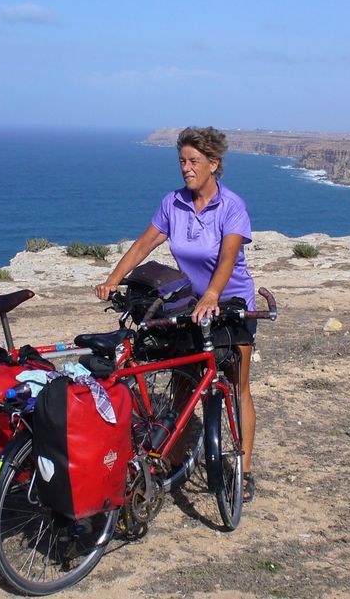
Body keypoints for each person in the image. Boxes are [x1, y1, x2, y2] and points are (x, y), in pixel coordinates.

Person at [94, 126, 259, 503]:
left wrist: (214, 294)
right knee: (185, 382)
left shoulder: (231, 206)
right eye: (182, 161)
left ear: (214, 164)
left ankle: (244, 469)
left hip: (230, 305)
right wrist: (113, 280)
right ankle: (173, 456)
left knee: (237, 385)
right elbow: (144, 244)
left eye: (194, 161)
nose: (186, 168)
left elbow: (228, 256)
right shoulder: (174, 203)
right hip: (190, 305)